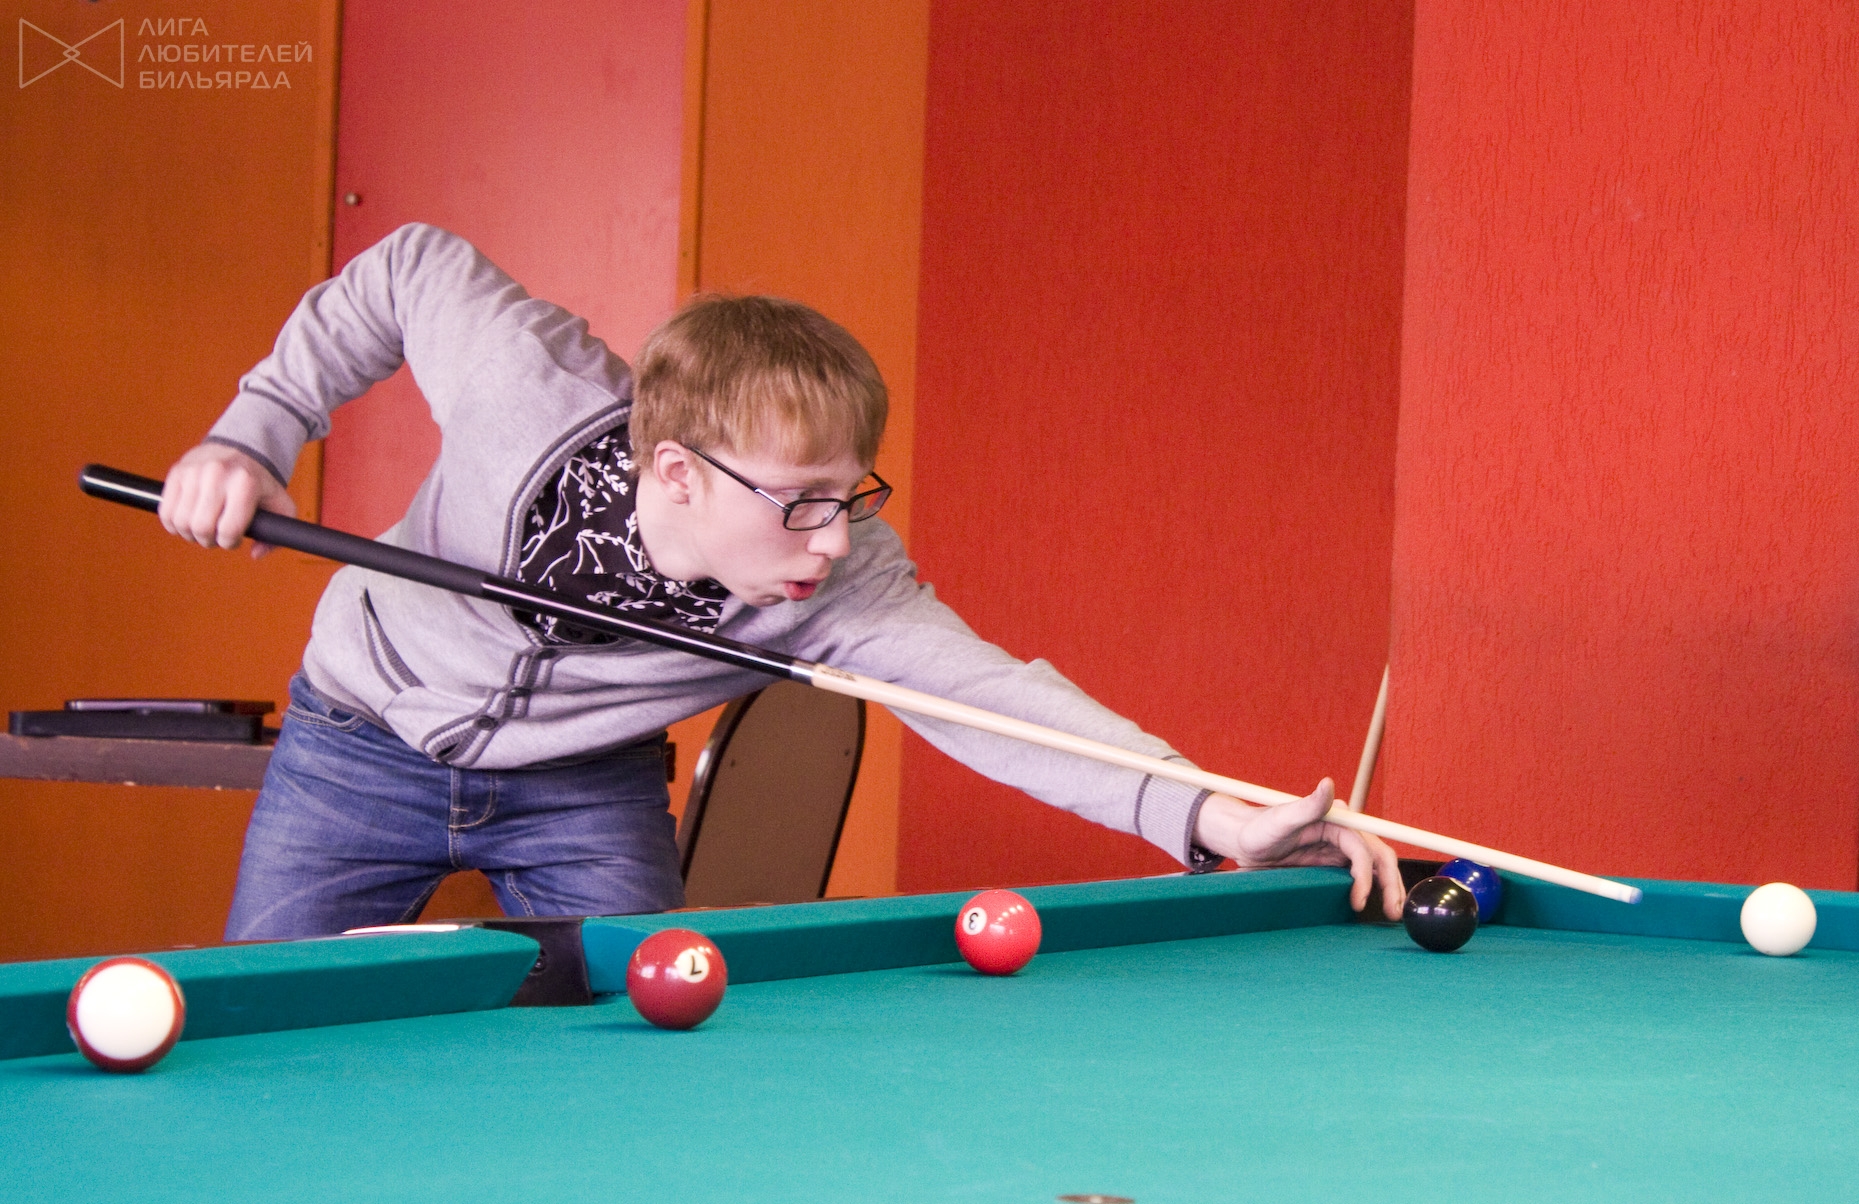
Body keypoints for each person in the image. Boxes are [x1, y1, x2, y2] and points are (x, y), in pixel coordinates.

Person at [159, 223, 1403, 939]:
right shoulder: (522, 382)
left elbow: (998, 703)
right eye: (799, 500)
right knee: (263, 1028)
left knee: (650, 1031)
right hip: (358, 739)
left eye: (850, 494)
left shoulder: (839, 586)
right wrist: (251, 435)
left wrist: (1213, 814)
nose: (832, 538)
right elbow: (404, 266)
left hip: (581, 785)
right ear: (677, 472)